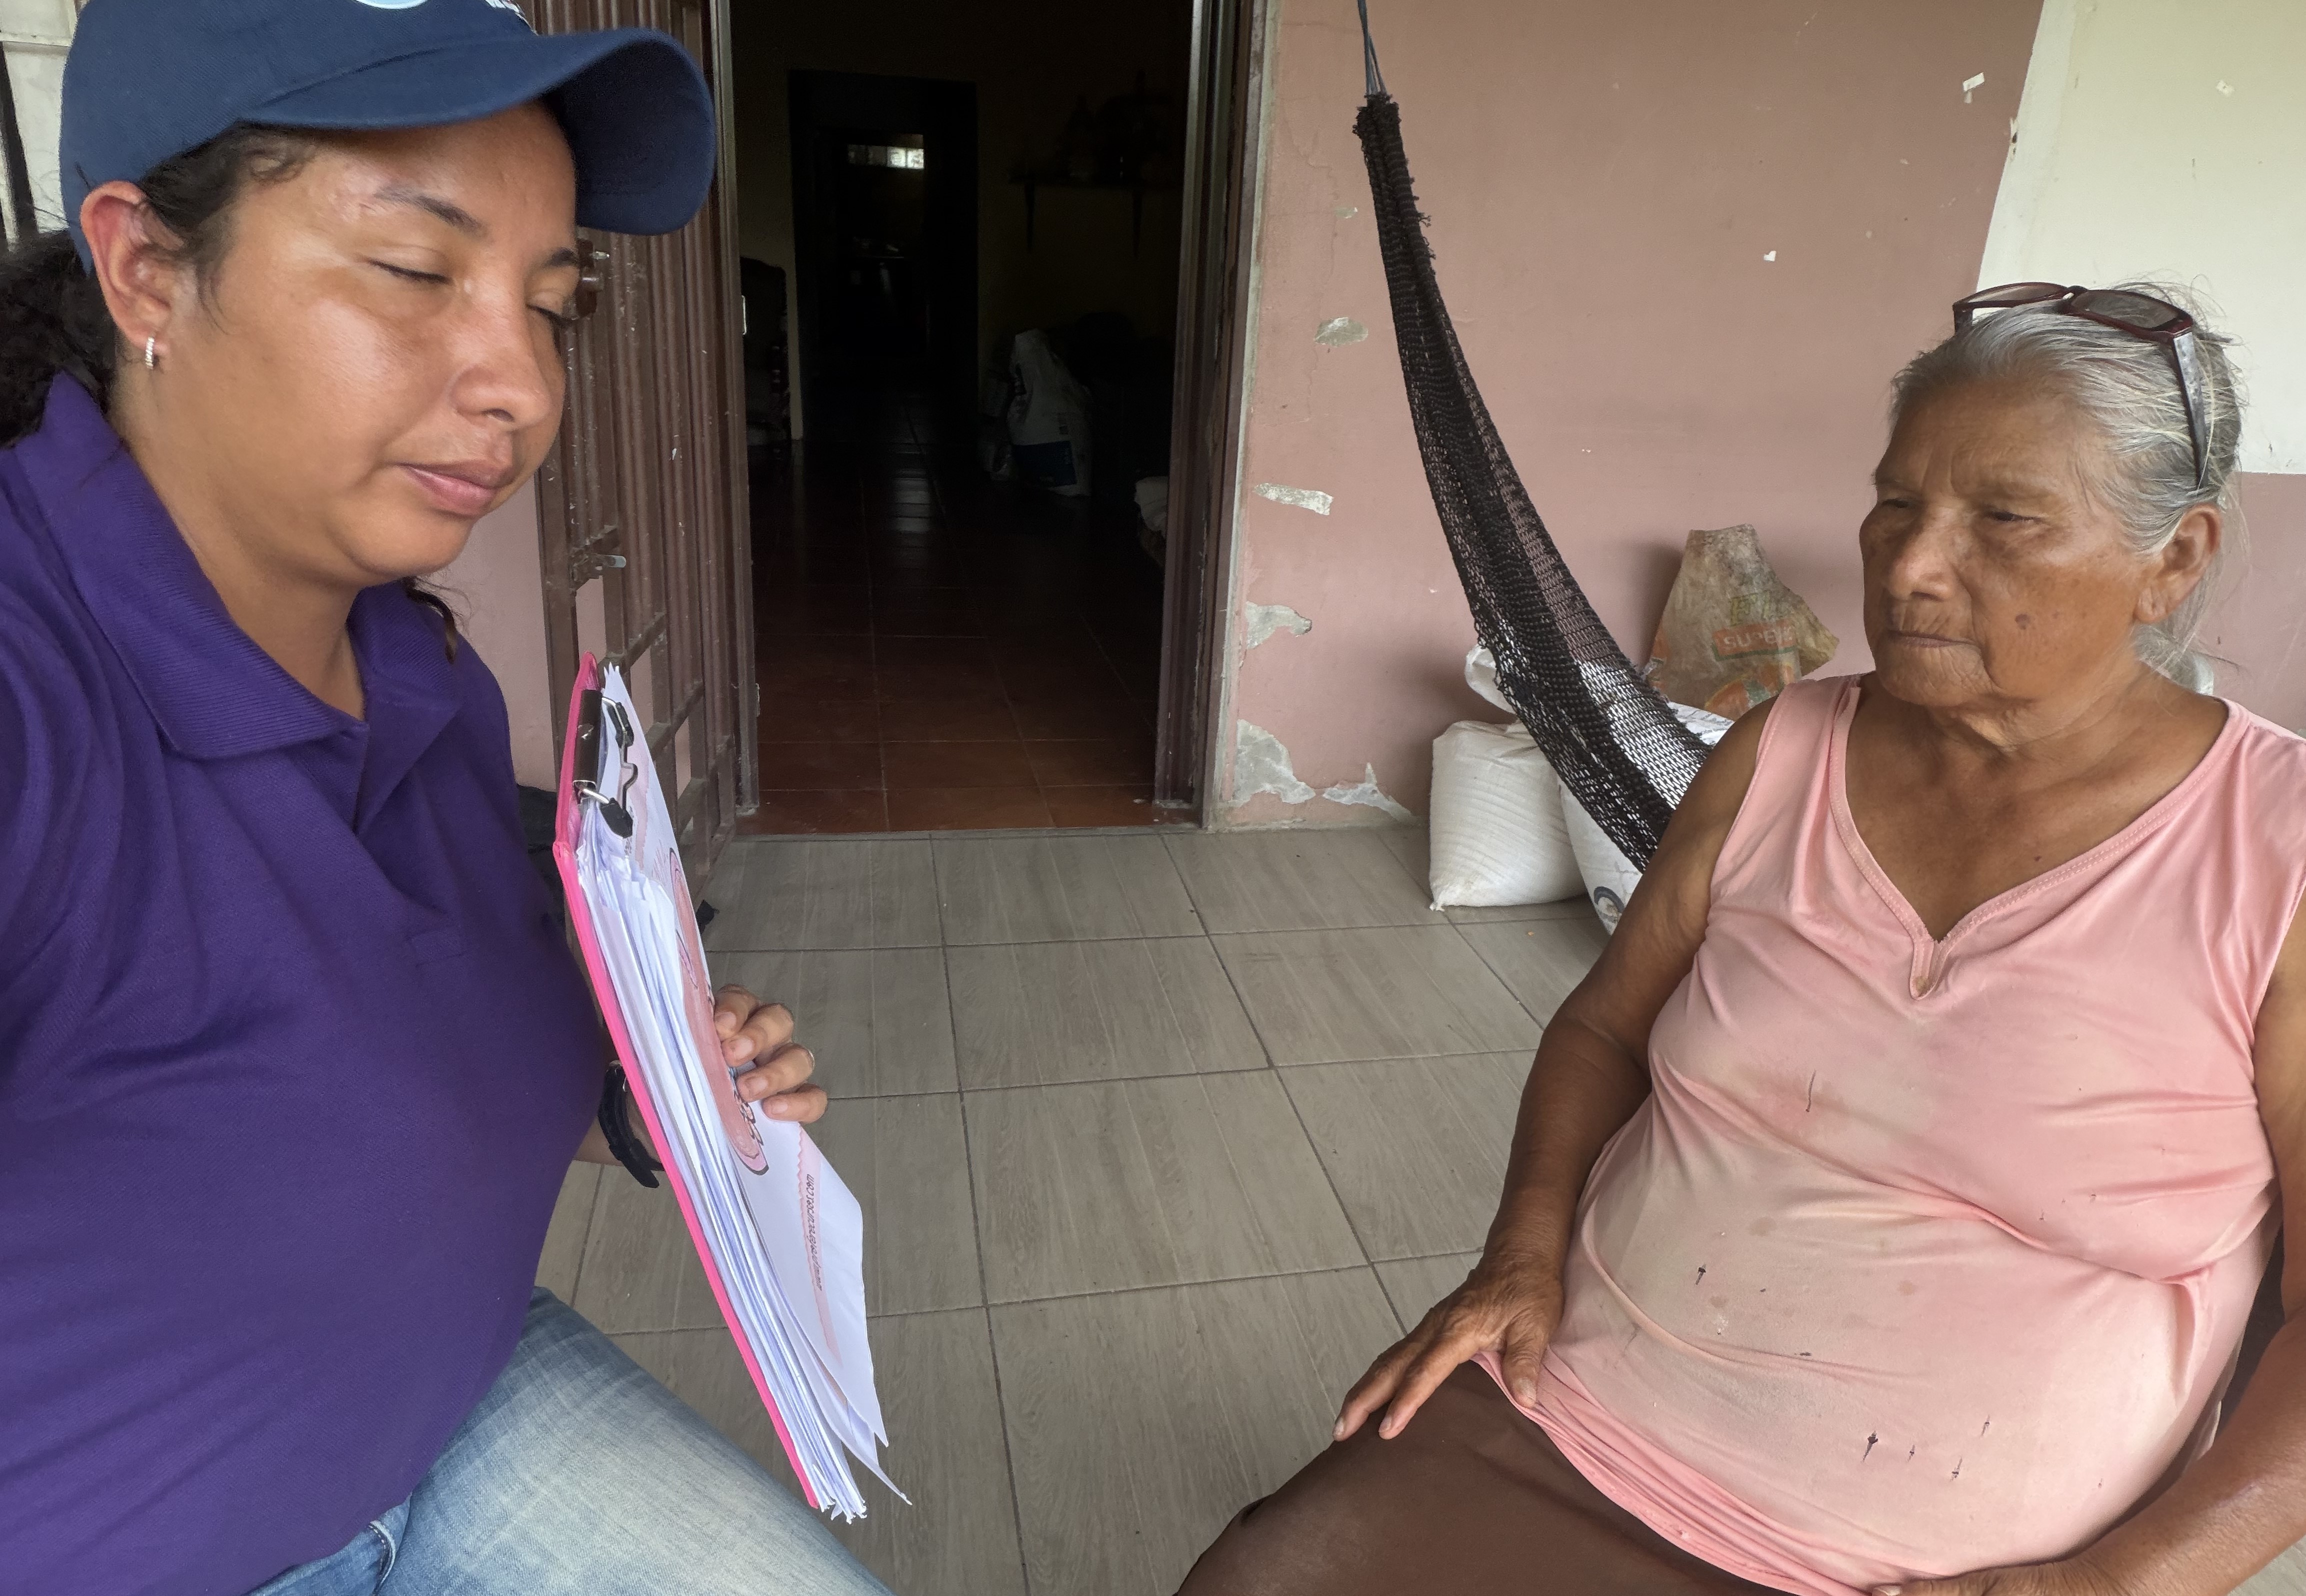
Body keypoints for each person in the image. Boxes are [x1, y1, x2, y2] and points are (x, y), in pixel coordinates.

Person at [1178, 282, 2306, 1596]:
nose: (1910, 567)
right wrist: (1521, 1255)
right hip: (1574, 1408)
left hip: (1939, 1564)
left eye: (2004, 519)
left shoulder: (2275, 852)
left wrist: (2115, 1586)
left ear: (2174, 558)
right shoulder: (1788, 748)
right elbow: (1606, 1027)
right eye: (1896, 504)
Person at [0, 4, 892, 1594]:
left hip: (441, 1403)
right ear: (142, 269)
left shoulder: (412, 666)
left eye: (553, 303)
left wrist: (646, 1082)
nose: (522, 387)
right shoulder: (37, 694)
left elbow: (404, 1025)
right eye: (416, 272)